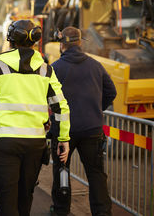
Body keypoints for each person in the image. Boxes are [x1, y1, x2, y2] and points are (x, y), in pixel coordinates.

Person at [0, 20, 71, 216]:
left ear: (11, 40)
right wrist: (64, 138)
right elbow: (61, 107)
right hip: (34, 145)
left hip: (3, 144)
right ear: (34, 42)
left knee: (6, 203)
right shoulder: (46, 70)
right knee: (25, 200)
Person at [49, 26, 117, 216]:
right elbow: (111, 92)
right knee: (96, 175)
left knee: (61, 170)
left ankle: (61, 211)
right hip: (91, 130)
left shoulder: (54, 69)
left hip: (64, 132)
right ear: (80, 42)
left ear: (62, 45)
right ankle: (102, 212)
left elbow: (47, 98)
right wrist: (95, 109)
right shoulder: (96, 66)